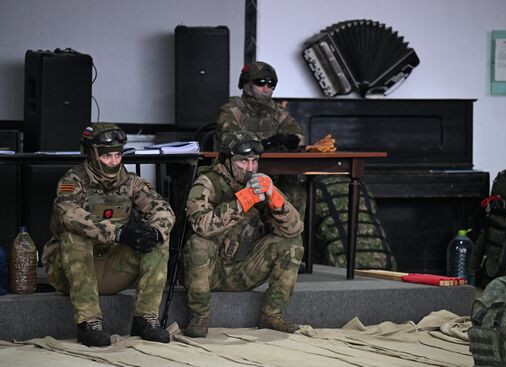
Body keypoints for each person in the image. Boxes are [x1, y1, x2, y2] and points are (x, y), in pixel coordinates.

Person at [41, 123, 175, 347]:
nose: (113, 162)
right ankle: (89, 323)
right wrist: (119, 233)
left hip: (113, 267)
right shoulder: (72, 181)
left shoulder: (132, 183)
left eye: (117, 155)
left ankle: (145, 318)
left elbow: (163, 208)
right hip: (69, 271)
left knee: (156, 238)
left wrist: (155, 230)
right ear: (92, 155)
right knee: (75, 235)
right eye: (107, 157)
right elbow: (69, 214)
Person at [182, 131, 304, 338]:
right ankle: (199, 316)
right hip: (211, 271)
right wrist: (243, 200)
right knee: (198, 243)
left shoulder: (261, 183)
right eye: (243, 162)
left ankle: (271, 314)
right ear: (228, 160)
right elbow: (200, 225)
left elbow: (294, 228)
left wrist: (274, 197)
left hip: (246, 268)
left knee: (292, 243)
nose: (249, 168)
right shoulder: (207, 183)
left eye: (254, 162)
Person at [215, 61, 307, 218]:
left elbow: (299, 137)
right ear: (246, 84)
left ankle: (290, 238)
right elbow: (229, 140)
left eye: (271, 84)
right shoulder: (232, 110)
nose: (266, 88)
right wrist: (267, 143)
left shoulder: (277, 111)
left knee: (296, 193)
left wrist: (289, 139)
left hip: (274, 176)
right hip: (238, 177)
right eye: (260, 82)